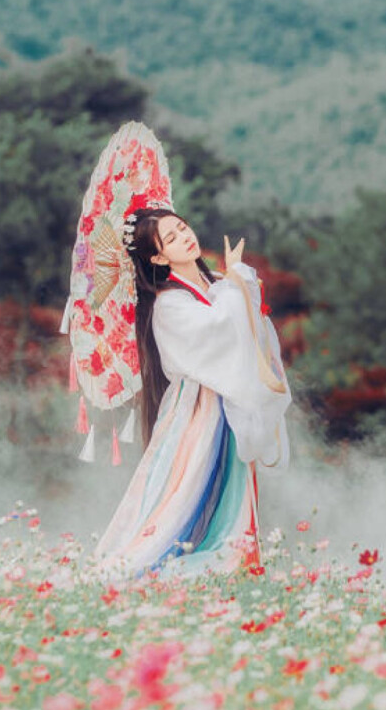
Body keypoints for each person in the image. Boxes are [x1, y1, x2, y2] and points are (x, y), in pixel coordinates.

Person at [91, 207, 292, 583]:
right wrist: (236, 285)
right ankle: (162, 560)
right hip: (199, 409)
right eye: (171, 238)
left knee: (231, 484)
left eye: (182, 227)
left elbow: (248, 327)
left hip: (229, 400)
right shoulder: (168, 303)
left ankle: (237, 562)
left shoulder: (213, 283)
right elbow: (217, 330)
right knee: (188, 487)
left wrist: (236, 283)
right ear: (158, 257)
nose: (185, 236)